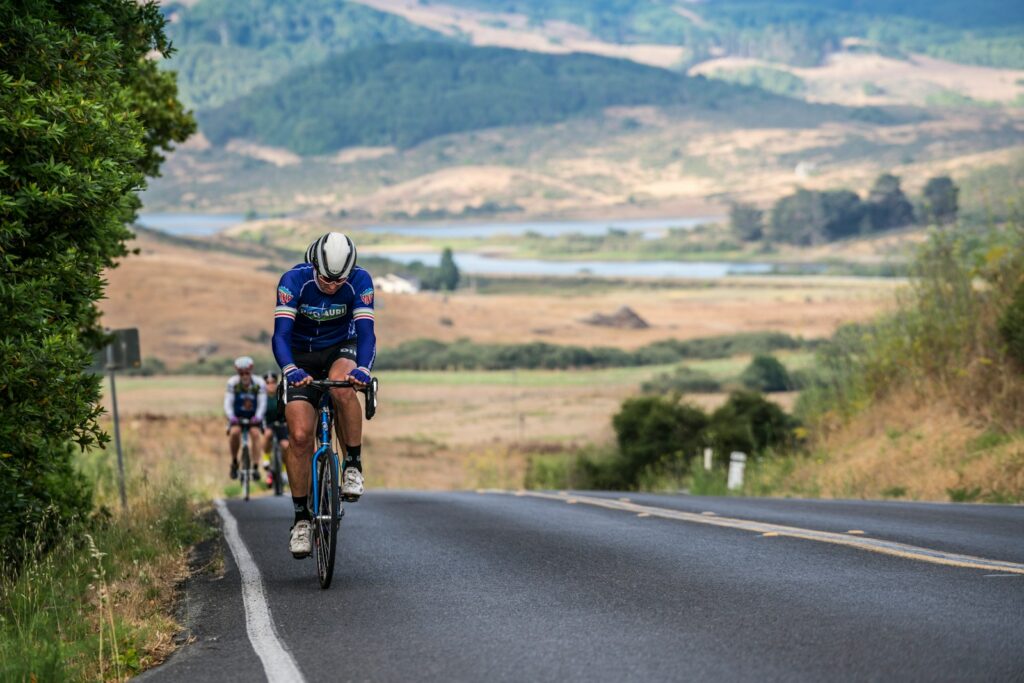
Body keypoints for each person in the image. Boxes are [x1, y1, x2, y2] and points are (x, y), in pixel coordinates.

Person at [272, 232, 376, 559]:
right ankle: (301, 518)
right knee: (300, 436)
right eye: (325, 279)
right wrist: (290, 369)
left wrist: (364, 369)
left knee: (344, 383)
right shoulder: (293, 282)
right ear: (313, 265)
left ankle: (353, 465)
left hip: (339, 349)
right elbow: (280, 335)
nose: (332, 285)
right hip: (300, 354)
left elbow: (367, 333)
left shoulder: (360, 281)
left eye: (339, 280)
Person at [224, 356, 267, 480]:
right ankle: (234, 462)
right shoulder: (232, 383)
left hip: (254, 417)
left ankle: (255, 466)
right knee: (234, 433)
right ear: (238, 372)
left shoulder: (259, 383)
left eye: (246, 373)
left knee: (255, 434)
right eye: (241, 373)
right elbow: (228, 402)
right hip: (237, 417)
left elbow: (262, 402)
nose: (244, 376)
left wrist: (258, 416)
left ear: (251, 371)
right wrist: (231, 416)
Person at [262, 372, 290, 489]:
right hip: (268, 424)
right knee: (267, 434)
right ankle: (266, 459)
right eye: (267, 383)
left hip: (281, 424)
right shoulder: (262, 397)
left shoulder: (282, 395)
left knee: (285, 445)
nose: (270, 385)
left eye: (273, 382)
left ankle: (284, 470)